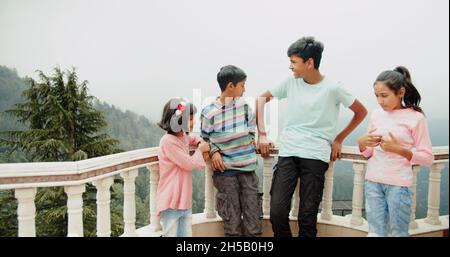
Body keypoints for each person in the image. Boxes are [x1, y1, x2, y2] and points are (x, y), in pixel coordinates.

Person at [256, 36, 368, 237]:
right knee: (277, 212)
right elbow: (260, 100)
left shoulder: (333, 88)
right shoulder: (290, 83)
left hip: (316, 155)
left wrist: (339, 139)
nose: (290, 67)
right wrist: (262, 134)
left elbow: (361, 112)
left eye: (293, 62)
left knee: (307, 217)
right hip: (288, 152)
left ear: (309, 63)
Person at [358, 66, 434, 237]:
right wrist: (361, 143)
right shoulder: (376, 114)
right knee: (375, 233)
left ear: (400, 92)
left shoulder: (416, 118)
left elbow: (428, 158)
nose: (380, 101)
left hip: (399, 186)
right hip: (373, 182)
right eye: (377, 96)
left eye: (384, 95)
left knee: (399, 233)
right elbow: (368, 152)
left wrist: (398, 149)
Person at [200, 65, 262, 237]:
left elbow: (251, 132)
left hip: (248, 172)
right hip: (225, 174)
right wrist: (214, 151)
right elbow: (204, 139)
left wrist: (255, 141)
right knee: (232, 226)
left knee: (253, 224)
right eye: (242, 85)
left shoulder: (244, 108)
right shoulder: (209, 112)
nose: (245, 89)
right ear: (230, 86)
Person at [156, 98, 210, 237]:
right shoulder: (168, 141)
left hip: (184, 201)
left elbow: (193, 138)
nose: (193, 123)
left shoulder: (183, 137)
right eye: (190, 119)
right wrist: (200, 150)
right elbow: (189, 164)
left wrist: (200, 142)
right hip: (171, 200)